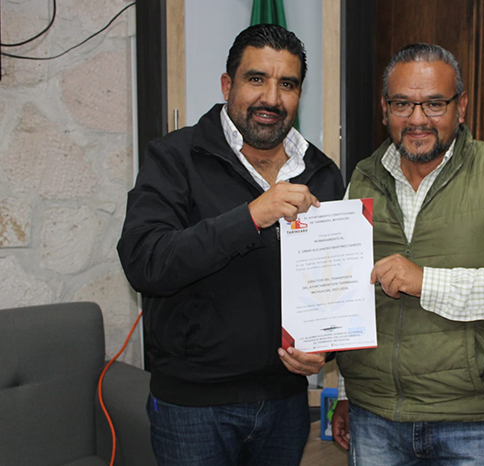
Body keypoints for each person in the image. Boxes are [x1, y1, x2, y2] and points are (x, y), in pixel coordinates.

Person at [117, 24, 344, 466]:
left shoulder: (321, 172)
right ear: (228, 85)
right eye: (256, 79)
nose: (271, 98)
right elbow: (145, 262)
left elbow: (333, 284)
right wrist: (251, 216)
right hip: (193, 408)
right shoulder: (175, 157)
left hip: (286, 402)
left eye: (287, 84)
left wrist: (324, 350)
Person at [331, 43, 484, 465]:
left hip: (469, 420)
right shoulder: (362, 178)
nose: (417, 119)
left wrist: (427, 281)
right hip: (374, 415)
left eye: (435, 104)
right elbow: (352, 295)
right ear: (384, 108)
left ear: (462, 106)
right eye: (402, 103)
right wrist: (347, 391)